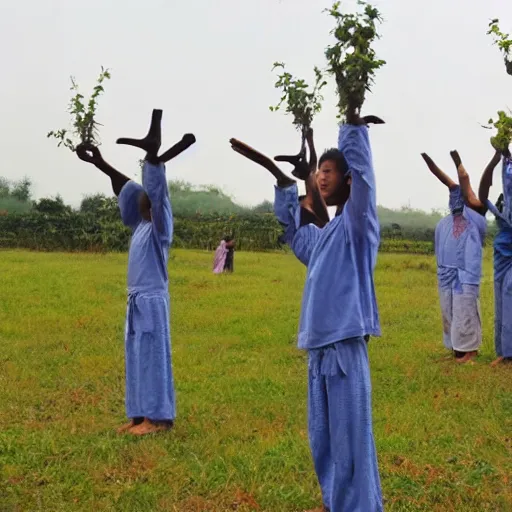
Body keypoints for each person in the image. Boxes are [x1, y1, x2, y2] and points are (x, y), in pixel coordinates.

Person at [231, 107, 384, 512]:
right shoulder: (324, 237)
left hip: (344, 350)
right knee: (324, 439)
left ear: (348, 179)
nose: (320, 177)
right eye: (319, 172)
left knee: (351, 441)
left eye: (329, 171)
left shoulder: (358, 228)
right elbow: (296, 233)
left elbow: (366, 181)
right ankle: (336, 501)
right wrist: (282, 182)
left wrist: (352, 124)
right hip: (318, 351)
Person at [76, 109, 196, 435]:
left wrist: (152, 163)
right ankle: (140, 414)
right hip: (135, 300)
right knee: (136, 356)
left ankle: (158, 419)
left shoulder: (160, 228)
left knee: (152, 355)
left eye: (146, 193)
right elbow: (123, 186)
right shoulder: (139, 226)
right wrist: (99, 163)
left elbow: (155, 190)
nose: (140, 195)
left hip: (153, 300)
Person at [420, 151, 487, 364]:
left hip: (465, 275)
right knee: (448, 311)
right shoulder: (445, 223)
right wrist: (427, 159)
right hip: (446, 274)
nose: (453, 198)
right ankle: (455, 350)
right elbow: (448, 182)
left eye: (459, 196)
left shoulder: (475, 216)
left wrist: (457, 160)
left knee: (465, 310)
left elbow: (462, 180)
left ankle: (470, 353)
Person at [478, 144, 512, 367]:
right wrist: (496, 159)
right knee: (501, 302)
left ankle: (509, 354)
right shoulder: (500, 213)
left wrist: (507, 159)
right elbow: (482, 193)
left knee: (509, 295)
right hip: (501, 258)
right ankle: (503, 351)